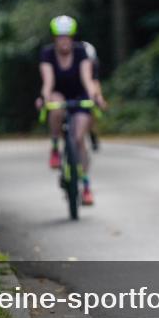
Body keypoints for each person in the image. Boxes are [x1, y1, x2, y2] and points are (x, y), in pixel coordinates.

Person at [38, 15, 107, 206]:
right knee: (56, 105)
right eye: (60, 37)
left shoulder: (81, 52)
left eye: (67, 37)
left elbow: (88, 79)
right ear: (54, 38)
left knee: (78, 139)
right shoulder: (47, 54)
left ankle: (85, 185)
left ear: (72, 37)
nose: (64, 41)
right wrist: (44, 97)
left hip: (80, 95)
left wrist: (95, 97)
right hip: (59, 93)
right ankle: (55, 146)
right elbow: (48, 82)